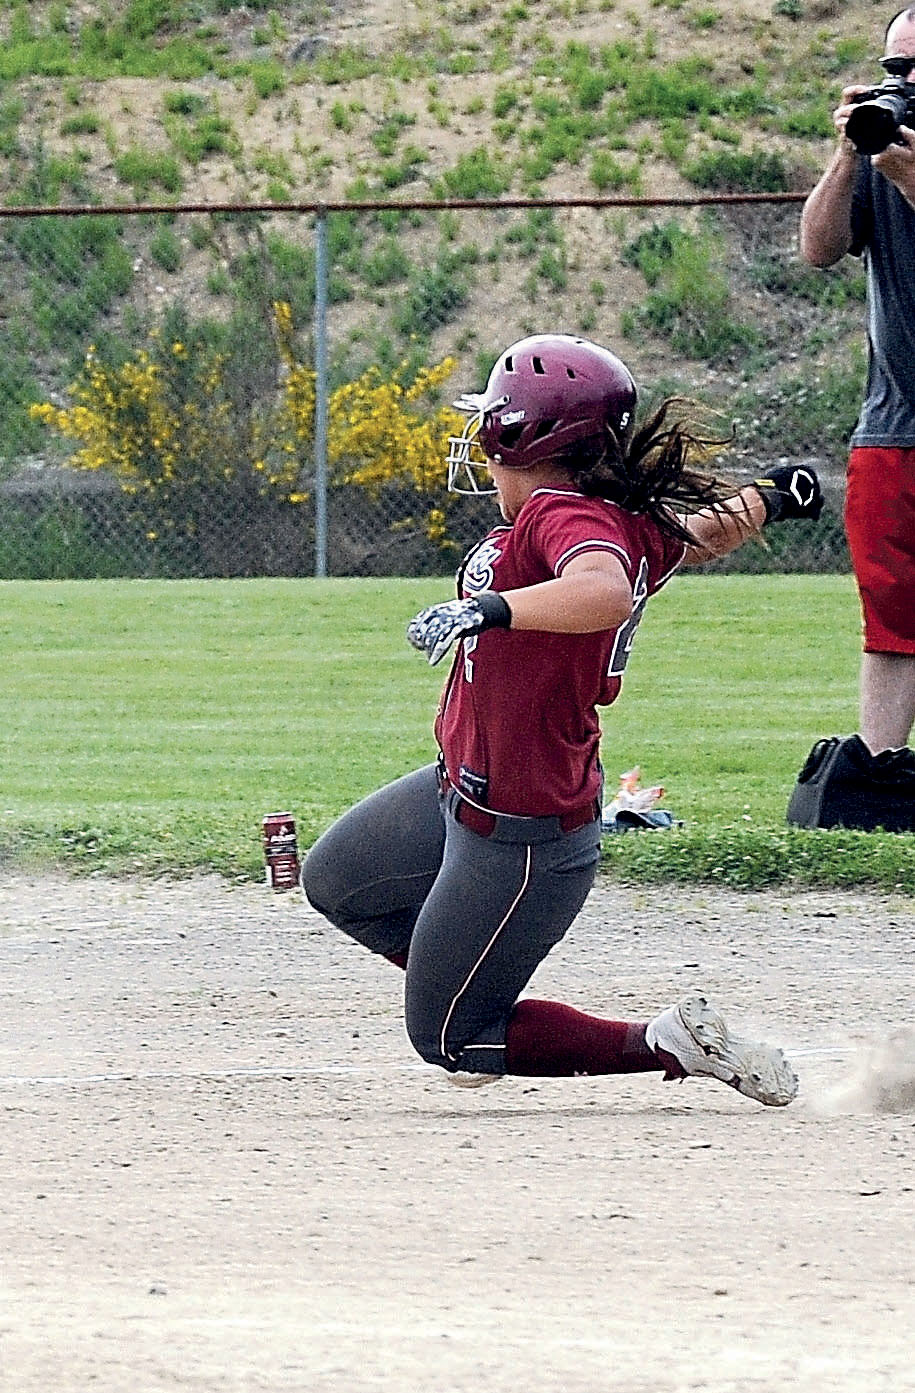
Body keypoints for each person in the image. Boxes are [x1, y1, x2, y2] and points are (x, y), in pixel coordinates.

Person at [300, 335, 822, 1106]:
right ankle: (475, 983)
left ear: (528, 440)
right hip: (458, 789)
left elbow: (604, 590)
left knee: (449, 1038)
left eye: (494, 431)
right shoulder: (612, 515)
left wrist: (485, 608)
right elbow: (697, 535)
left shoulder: (559, 512)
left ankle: (661, 1042)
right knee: (336, 880)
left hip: (521, 831)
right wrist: (772, 498)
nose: (482, 449)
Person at [799, 9, 915, 756]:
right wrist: (848, 155)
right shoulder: (881, 154)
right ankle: (877, 779)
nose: (902, 87)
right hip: (895, 423)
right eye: (893, 70)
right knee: (890, 620)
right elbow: (817, 247)